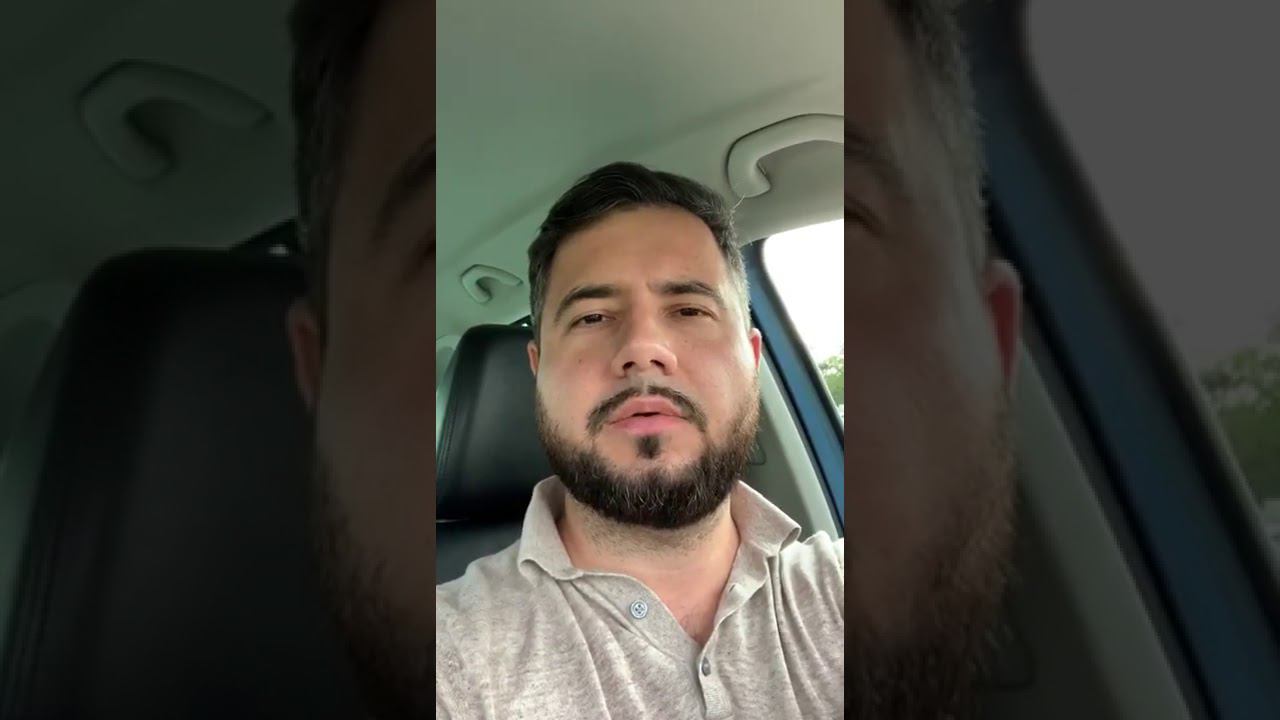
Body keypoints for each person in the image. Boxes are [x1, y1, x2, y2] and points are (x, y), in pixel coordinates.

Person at [284, 0, 1023, 717]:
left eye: (691, 310)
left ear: (752, 357)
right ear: (536, 369)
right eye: (592, 316)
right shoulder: (452, 658)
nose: (643, 347)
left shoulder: (858, 604)